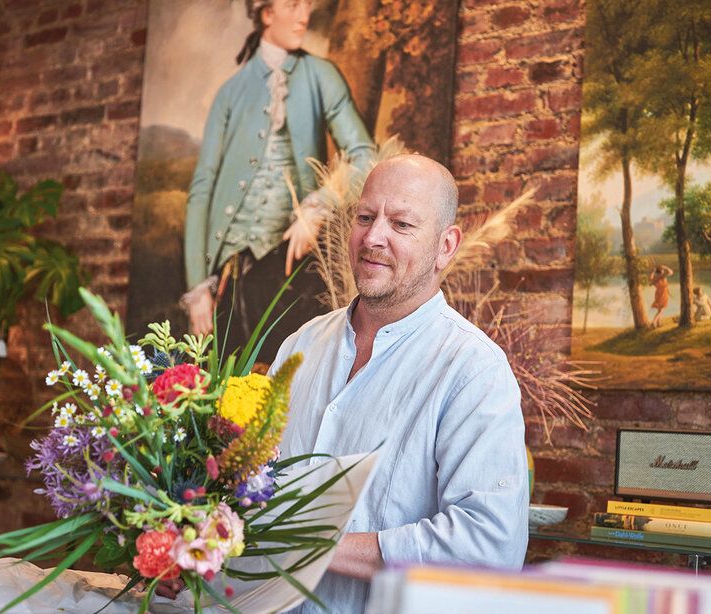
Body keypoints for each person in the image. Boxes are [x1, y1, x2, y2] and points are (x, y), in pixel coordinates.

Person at [270, 155, 529, 613]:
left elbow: (490, 548)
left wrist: (312, 544)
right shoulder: (300, 346)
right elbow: (250, 485)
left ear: (446, 246)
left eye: (402, 224)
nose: (373, 238)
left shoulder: (473, 370)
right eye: (365, 217)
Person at [181, 0, 374, 362]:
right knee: (226, 401)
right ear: (267, 14)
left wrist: (319, 205)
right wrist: (197, 289)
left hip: (292, 271)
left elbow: (366, 155)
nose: (304, 15)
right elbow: (201, 190)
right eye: (292, 5)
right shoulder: (230, 93)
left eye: (307, 5)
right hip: (230, 273)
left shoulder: (321, 76)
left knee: (288, 393)